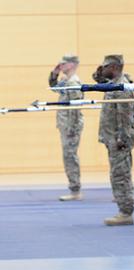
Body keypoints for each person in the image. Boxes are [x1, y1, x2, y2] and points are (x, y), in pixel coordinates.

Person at [97, 54, 134, 226]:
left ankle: (125, 212)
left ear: (113, 67)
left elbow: (125, 116)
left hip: (119, 140)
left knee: (121, 175)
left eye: (105, 66)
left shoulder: (122, 87)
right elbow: (98, 81)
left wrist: (122, 138)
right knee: (117, 174)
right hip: (113, 138)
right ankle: (123, 209)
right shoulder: (113, 84)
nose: (102, 69)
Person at [49, 54, 85, 201]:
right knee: (68, 156)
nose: (60, 65)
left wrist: (71, 127)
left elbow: (76, 108)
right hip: (66, 124)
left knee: (70, 157)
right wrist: (54, 74)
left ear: (71, 65)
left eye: (62, 64)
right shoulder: (66, 81)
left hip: (71, 125)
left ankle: (75, 191)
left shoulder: (74, 82)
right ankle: (74, 188)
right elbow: (54, 88)